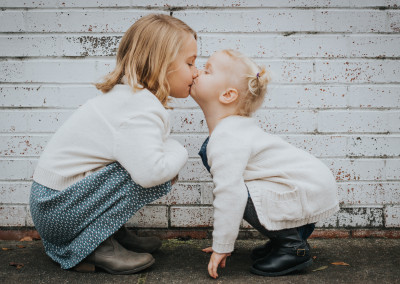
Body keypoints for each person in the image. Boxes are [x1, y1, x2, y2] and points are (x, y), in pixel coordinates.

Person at [29, 14, 198, 274]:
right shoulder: (137, 109)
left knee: (136, 161)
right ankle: (96, 247)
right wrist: (180, 149)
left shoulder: (130, 98)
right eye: (190, 62)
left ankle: (108, 233)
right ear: (162, 64)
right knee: (155, 169)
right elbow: (150, 174)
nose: (196, 72)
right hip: (57, 210)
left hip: (53, 206)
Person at [190, 49, 339, 278]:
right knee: (239, 185)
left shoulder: (228, 136)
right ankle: (285, 239)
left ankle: (292, 246)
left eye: (207, 71)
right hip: (307, 188)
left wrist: (222, 245)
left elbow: (230, 193)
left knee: (235, 189)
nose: (197, 72)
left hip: (304, 190)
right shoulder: (234, 129)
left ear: (227, 95)